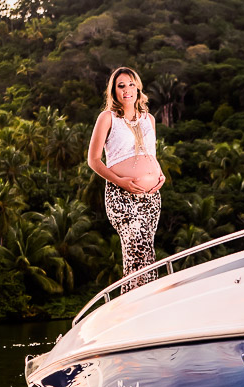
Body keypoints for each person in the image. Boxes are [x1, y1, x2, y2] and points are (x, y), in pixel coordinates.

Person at [88, 66, 165, 292]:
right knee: (136, 246)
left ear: (138, 88)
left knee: (146, 252)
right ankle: (134, 301)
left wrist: (160, 175)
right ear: (114, 91)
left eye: (131, 85)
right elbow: (93, 160)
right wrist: (120, 181)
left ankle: (144, 301)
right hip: (121, 194)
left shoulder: (149, 119)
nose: (127, 90)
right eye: (121, 86)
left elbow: (151, 154)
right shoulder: (107, 117)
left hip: (151, 197)